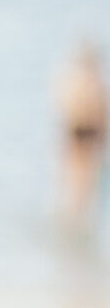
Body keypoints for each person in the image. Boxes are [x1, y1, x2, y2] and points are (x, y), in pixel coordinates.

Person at [59, 41, 107, 237]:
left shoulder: (74, 81)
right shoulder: (93, 84)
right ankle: (76, 220)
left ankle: (76, 221)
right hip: (81, 134)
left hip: (81, 133)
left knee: (80, 182)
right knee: (80, 181)